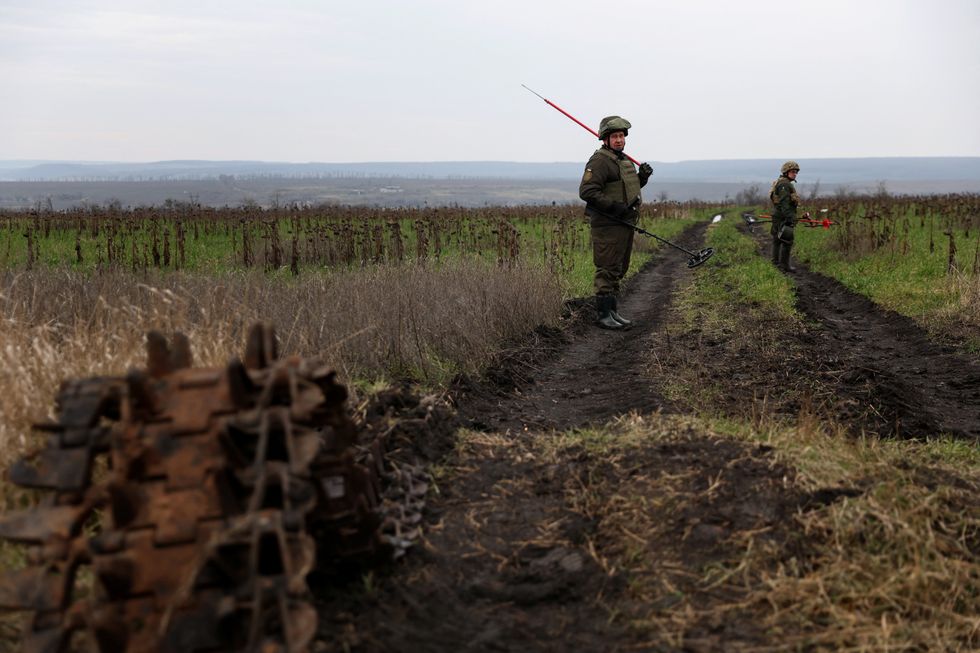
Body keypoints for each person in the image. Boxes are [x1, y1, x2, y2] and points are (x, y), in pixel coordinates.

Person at [578, 115, 653, 329]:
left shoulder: (620, 159)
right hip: (608, 225)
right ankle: (603, 316)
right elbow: (587, 191)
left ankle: (613, 312)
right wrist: (614, 207)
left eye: (621, 136)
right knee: (607, 268)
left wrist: (642, 179)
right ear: (605, 139)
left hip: (623, 223)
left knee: (619, 268)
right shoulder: (600, 160)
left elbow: (624, 189)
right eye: (615, 136)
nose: (619, 140)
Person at [769, 160, 807, 273]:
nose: (795, 174)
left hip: (778, 216)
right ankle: (784, 266)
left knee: (777, 240)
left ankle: (776, 264)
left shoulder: (780, 182)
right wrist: (790, 218)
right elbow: (785, 204)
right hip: (783, 217)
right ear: (786, 172)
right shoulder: (785, 185)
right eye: (793, 172)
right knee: (787, 240)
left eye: (796, 172)